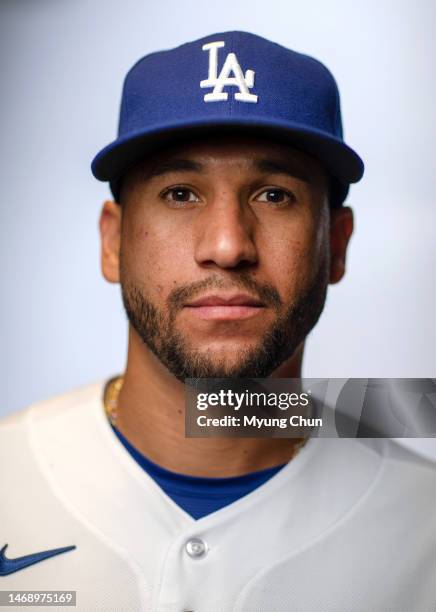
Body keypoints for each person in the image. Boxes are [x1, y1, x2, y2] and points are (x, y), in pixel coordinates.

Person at [1, 31, 435, 612]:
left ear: (337, 245)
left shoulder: (423, 522)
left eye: (275, 196)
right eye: (180, 193)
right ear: (113, 241)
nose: (229, 246)